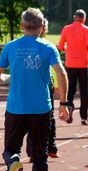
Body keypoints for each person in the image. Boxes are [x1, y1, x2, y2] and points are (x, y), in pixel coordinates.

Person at [0, 8, 68, 171]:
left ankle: (13, 163)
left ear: (21, 26)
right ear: (41, 27)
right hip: (41, 109)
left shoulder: (11, 47)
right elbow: (61, 74)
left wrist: (8, 77)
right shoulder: (48, 48)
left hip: (16, 108)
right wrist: (64, 103)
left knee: (10, 150)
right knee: (40, 156)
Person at [26, 18, 59, 160]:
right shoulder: (37, 46)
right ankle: (36, 149)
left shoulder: (46, 46)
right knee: (39, 117)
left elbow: (56, 69)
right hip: (37, 85)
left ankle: (49, 147)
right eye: (43, 26)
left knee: (46, 117)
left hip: (44, 84)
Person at [58, 9, 88, 125]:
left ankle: (69, 106)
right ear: (84, 19)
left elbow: (60, 45)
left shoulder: (66, 28)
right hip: (83, 64)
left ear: (74, 17)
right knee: (84, 90)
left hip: (70, 64)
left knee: (71, 89)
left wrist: (67, 49)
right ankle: (84, 117)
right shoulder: (87, 30)